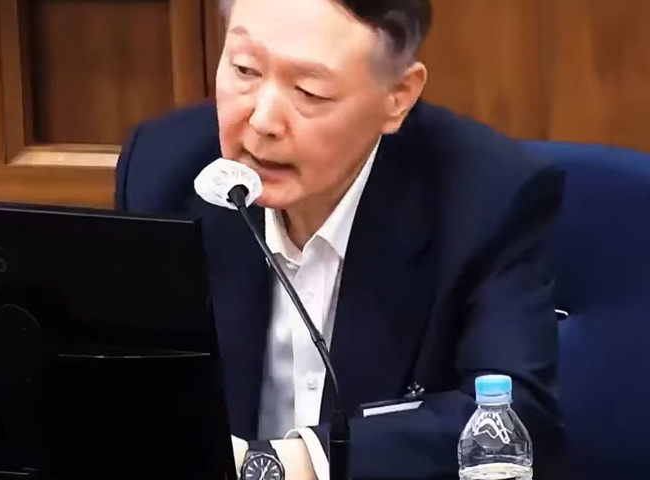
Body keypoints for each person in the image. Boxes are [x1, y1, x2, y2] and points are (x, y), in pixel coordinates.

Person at [114, 0, 566, 478]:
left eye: (310, 92)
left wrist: (283, 465)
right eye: (245, 70)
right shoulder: (164, 170)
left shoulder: (485, 196)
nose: (263, 121)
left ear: (397, 97)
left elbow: (515, 420)